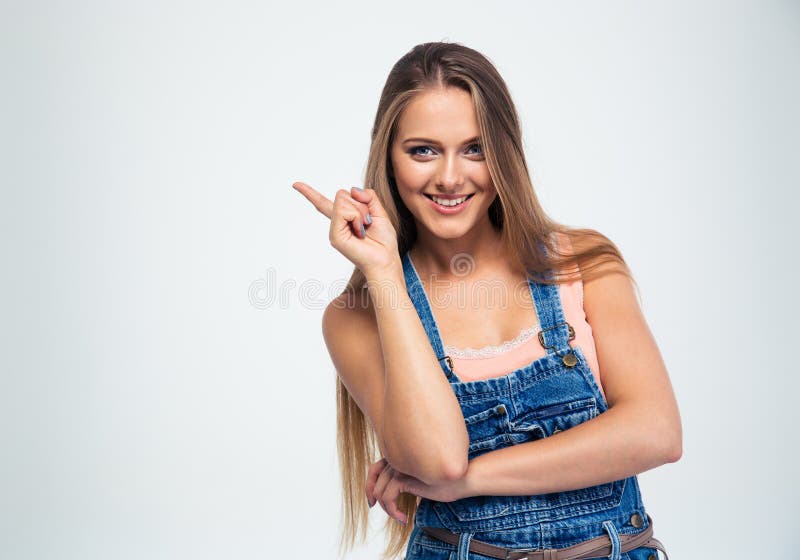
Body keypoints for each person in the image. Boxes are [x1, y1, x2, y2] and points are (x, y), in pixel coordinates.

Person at [292, 41, 681, 560]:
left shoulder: (585, 263)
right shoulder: (356, 317)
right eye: (423, 150)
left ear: (504, 153)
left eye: (474, 149)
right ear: (388, 157)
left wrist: (473, 480)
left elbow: (656, 432)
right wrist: (384, 273)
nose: (450, 177)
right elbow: (438, 463)